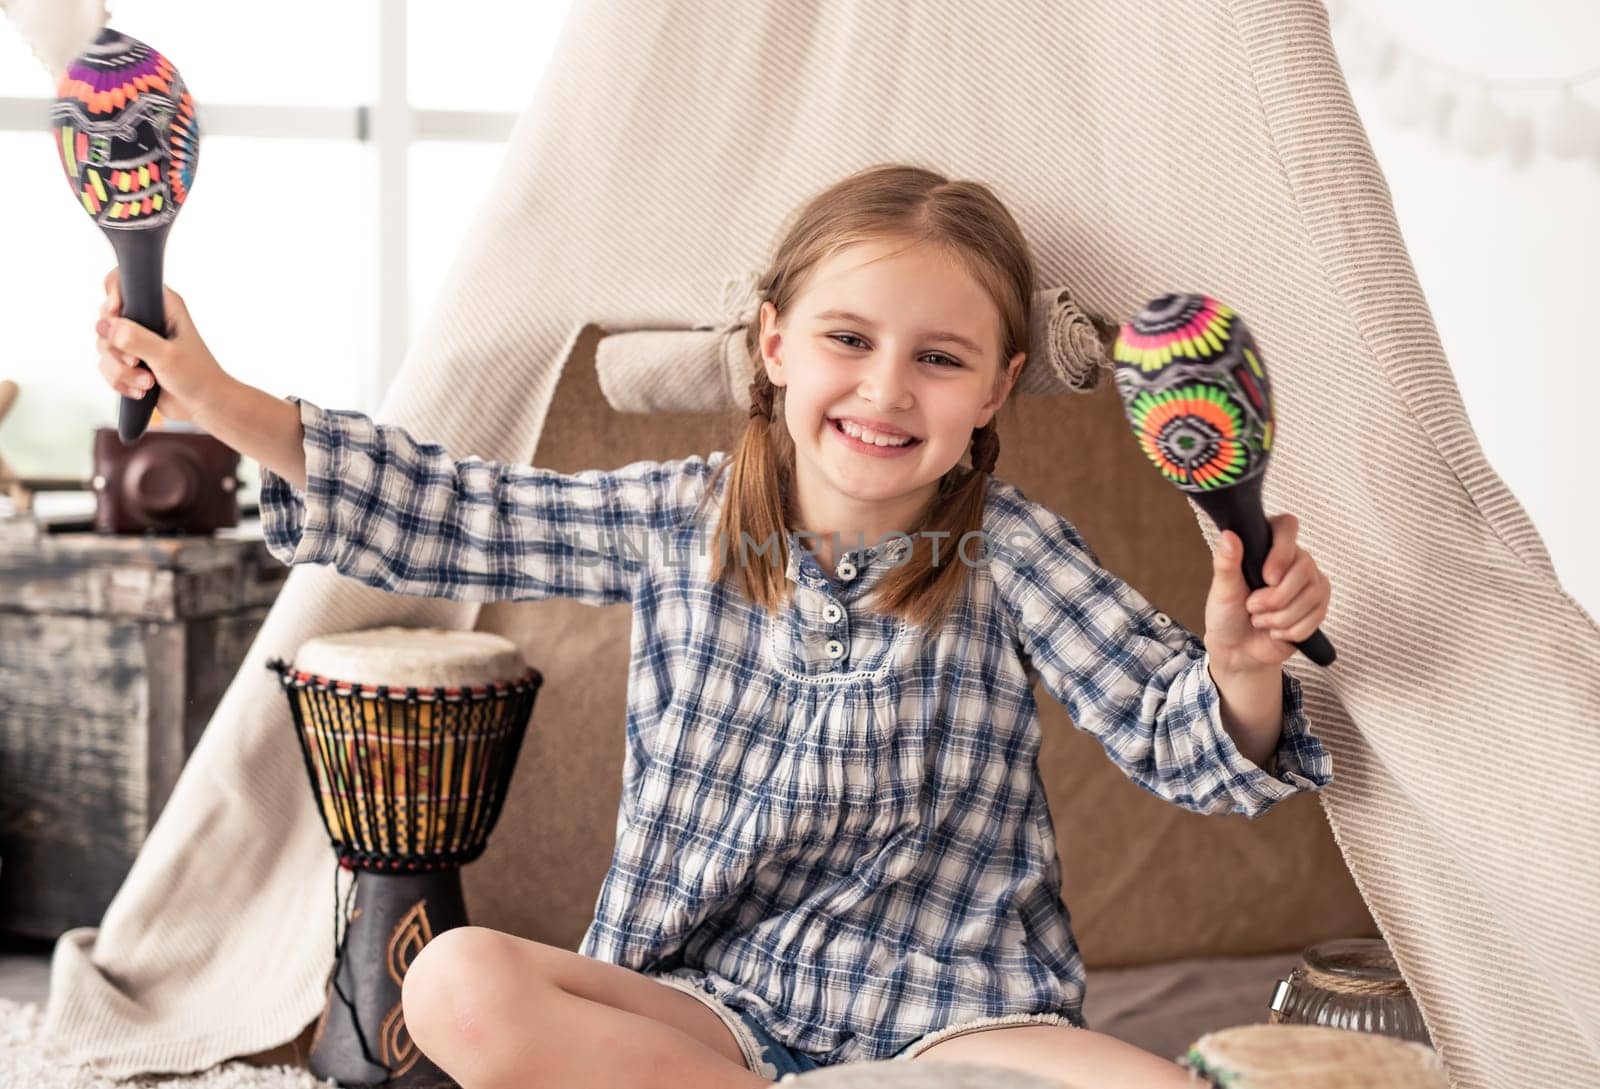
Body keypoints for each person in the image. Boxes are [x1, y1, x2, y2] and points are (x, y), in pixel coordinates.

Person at [93, 162, 1333, 1089]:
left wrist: (1236, 667)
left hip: (955, 1014)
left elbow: (1186, 745)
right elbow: (449, 511)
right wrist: (213, 396)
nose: (887, 388)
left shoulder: (1011, 553)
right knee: (455, 983)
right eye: (849, 339)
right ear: (777, 344)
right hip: (701, 1009)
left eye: (939, 360)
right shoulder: (675, 518)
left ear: (997, 388)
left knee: (1168, 1088)